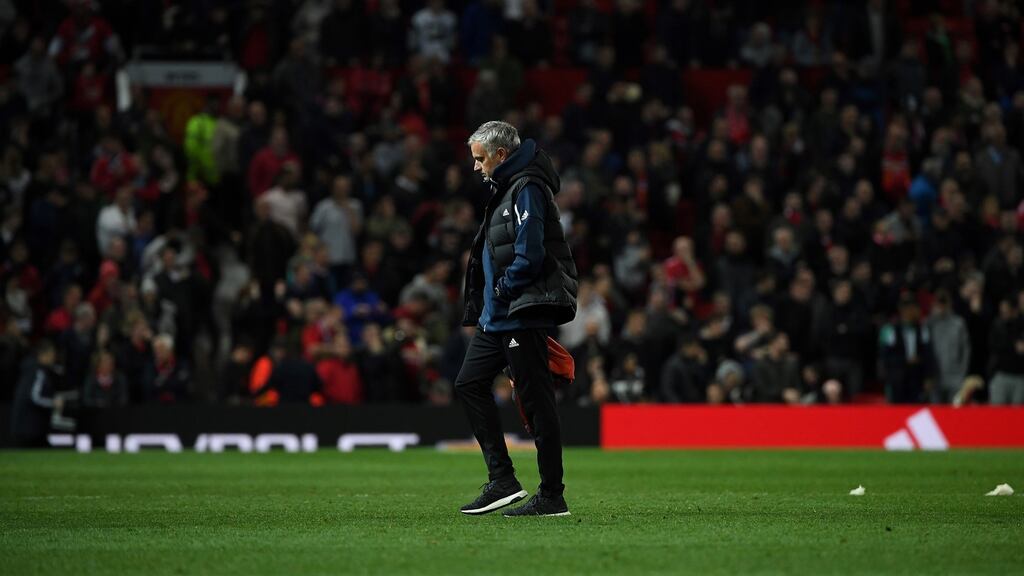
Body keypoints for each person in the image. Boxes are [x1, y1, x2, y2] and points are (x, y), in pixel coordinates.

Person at [456, 121, 577, 517]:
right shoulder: (507, 190)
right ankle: (503, 480)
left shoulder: (526, 188)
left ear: (500, 155)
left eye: (480, 159)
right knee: (469, 383)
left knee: (537, 403)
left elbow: (531, 254)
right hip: (498, 317)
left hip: (521, 313)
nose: (476, 167)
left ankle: (552, 495)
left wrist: (504, 288)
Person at [10, 340, 61, 447]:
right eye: (51, 355)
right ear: (43, 354)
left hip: (26, 425)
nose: (53, 358)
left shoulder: (30, 369)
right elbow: (34, 397)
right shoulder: (37, 371)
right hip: (30, 427)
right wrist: (53, 403)